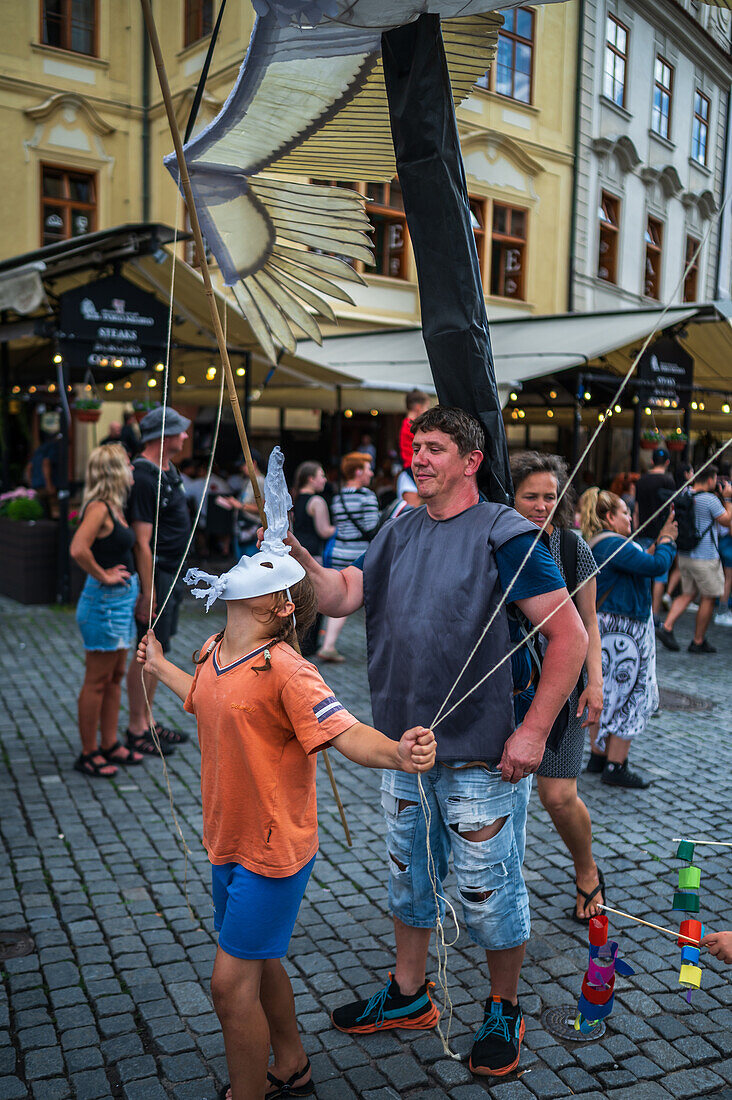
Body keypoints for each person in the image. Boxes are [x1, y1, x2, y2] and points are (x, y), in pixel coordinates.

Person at [276, 406, 588, 1078]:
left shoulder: (505, 532)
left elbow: (570, 636)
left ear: (471, 461)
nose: (419, 458)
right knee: (407, 878)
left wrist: (533, 733)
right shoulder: (400, 526)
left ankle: (504, 1006)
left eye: (436, 449)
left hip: (482, 753)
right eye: (417, 447)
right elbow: (341, 595)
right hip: (401, 747)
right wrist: (299, 555)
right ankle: (410, 995)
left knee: (487, 891)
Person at [136, 549, 436, 1100]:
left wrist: (398, 752)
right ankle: (292, 1062)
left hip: (273, 854)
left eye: (269, 566)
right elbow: (205, 698)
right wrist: (158, 666)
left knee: (228, 989)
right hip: (227, 840)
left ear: (276, 605)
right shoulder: (212, 650)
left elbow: (346, 733)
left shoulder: (290, 671)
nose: (252, 557)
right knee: (259, 960)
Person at [511, 452, 604, 922]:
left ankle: (586, 870)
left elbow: (588, 622)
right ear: (509, 496)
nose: (542, 505)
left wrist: (596, 683)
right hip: (507, 692)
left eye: (550, 496)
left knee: (557, 795)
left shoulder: (570, 547)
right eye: (531, 496)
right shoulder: (496, 542)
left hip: (563, 689)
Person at [581, 489, 677, 789]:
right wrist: (667, 541)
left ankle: (599, 755)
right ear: (609, 517)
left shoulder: (601, 543)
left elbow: (635, 564)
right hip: (625, 634)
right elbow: (656, 567)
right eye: (624, 512)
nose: (630, 517)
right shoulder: (612, 543)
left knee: (607, 694)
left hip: (610, 632)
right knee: (630, 695)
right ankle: (616, 764)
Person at [71, 445, 144, 778]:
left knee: (114, 677)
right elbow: (77, 548)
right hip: (103, 602)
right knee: (97, 680)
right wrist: (103, 574)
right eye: (127, 464)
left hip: (119, 602)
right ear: (115, 470)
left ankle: (111, 742)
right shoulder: (99, 507)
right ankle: (89, 752)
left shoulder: (115, 506)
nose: (132, 468)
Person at [125, 407, 192, 757]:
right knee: (147, 652)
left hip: (171, 574)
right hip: (158, 575)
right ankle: (138, 727)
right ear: (163, 437)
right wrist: (148, 592)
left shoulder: (168, 470)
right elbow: (141, 541)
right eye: (179, 432)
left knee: (158, 650)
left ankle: (147, 722)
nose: (184, 437)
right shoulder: (144, 477)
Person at [657, 466, 732, 653]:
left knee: (688, 593)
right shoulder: (710, 499)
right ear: (709, 480)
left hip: (685, 554)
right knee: (709, 596)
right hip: (706, 558)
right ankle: (698, 641)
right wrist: (729, 498)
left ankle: (666, 627)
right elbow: (727, 521)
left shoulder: (684, 494)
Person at [317, 451, 379, 663]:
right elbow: (373, 528)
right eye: (368, 468)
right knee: (371, 601)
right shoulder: (367, 497)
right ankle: (378, 648)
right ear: (359, 471)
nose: (371, 473)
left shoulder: (338, 497)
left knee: (342, 595)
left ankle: (328, 644)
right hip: (360, 554)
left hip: (339, 551)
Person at [291, 462, 335, 657]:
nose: (324, 480)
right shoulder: (317, 501)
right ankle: (310, 644)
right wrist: (343, 529)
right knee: (316, 600)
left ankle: (297, 640)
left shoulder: (294, 499)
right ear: (311, 479)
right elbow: (324, 530)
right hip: (314, 555)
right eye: (321, 475)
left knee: (300, 598)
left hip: (297, 553)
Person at [634, 449, 675, 623]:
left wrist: (635, 530)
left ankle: (642, 607)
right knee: (660, 573)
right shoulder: (668, 480)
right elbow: (672, 507)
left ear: (652, 461)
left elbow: (636, 508)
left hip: (642, 531)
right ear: (666, 462)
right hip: (661, 532)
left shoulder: (641, 480)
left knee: (641, 570)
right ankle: (655, 614)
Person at [398, 388, 431, 469]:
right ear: (418, 407)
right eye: (426, 407)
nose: (427, 411)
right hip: (413, 466)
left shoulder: (407, 423)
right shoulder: (411, 426)